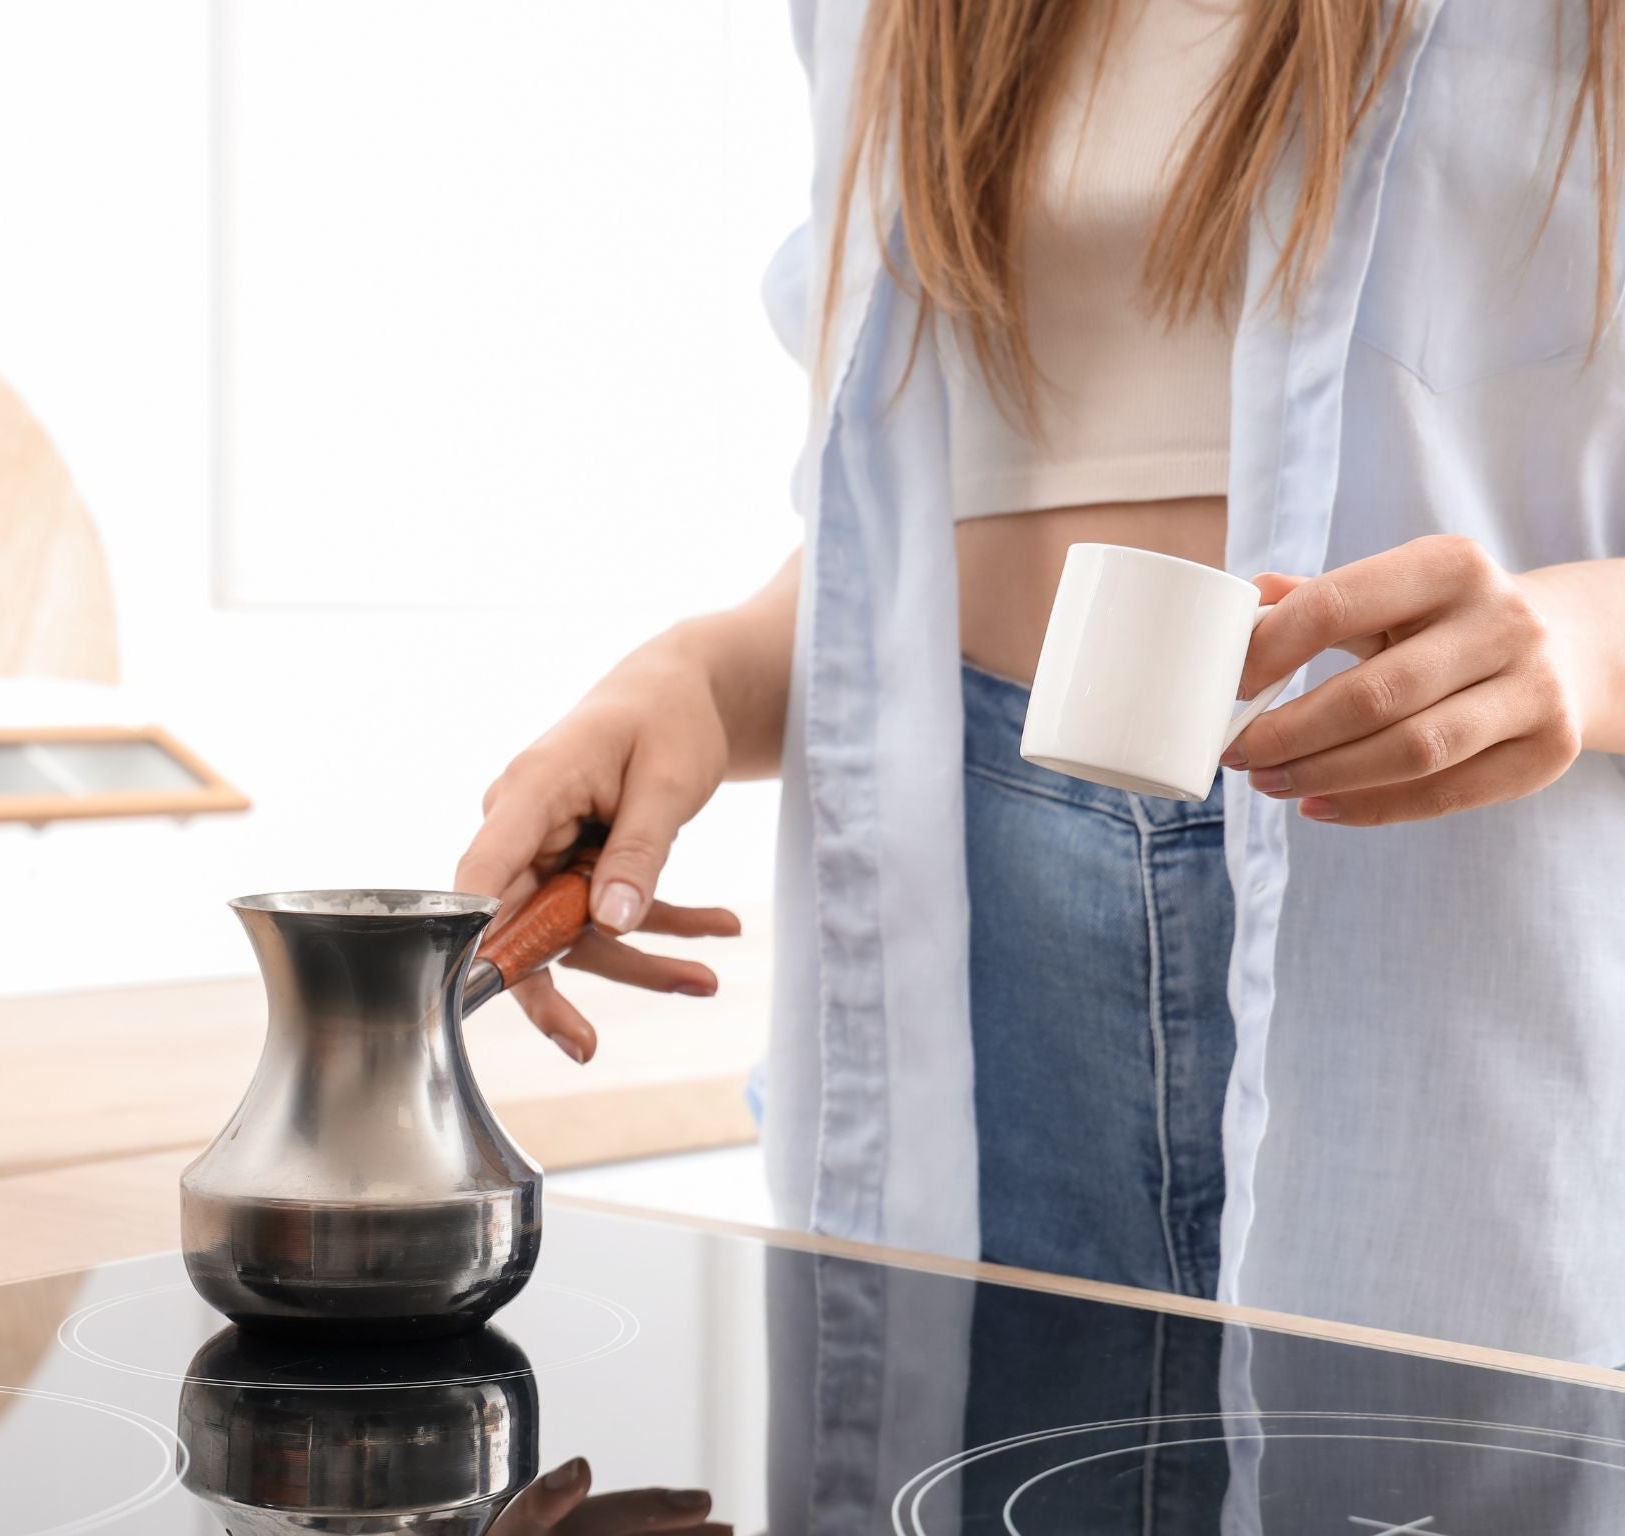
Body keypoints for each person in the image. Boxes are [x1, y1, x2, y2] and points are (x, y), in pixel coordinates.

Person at [457, 0, 1625, 1364]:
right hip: (982, 921)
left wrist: (1587, 647)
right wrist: (703, 680)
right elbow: (910, 523)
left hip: (1451, 944)